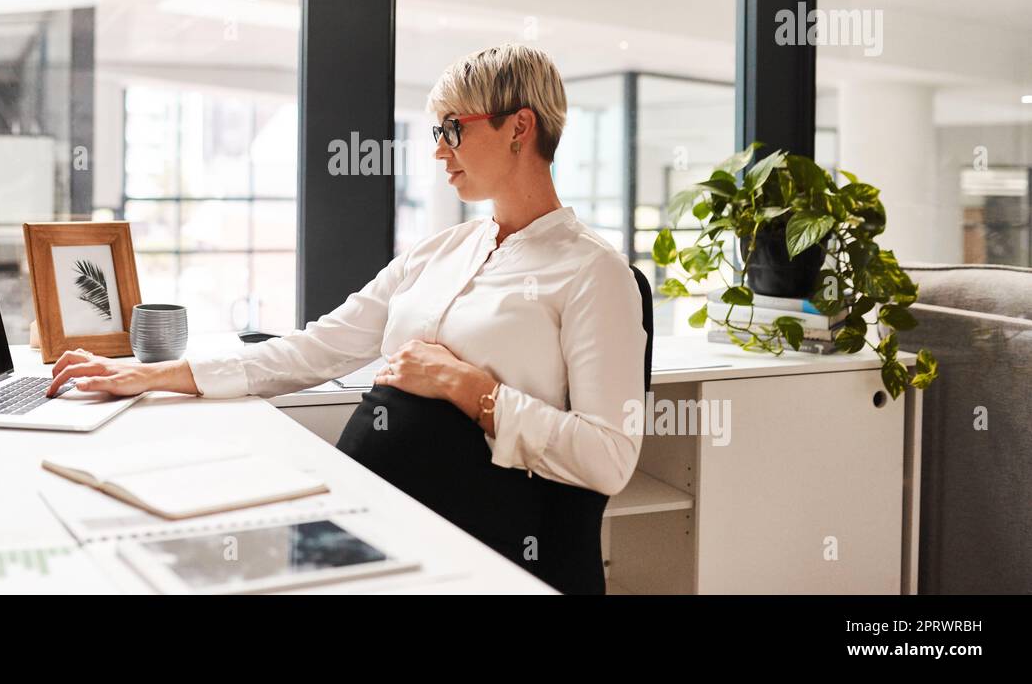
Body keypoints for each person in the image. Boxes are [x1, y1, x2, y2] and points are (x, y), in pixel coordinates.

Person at [46, 43, 647, 590]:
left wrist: (470, 389)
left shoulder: (594, 274)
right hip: (372, 511)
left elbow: (608, 458)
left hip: (476, 542)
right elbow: (317, 348)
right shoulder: (440, 250)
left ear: (519, 127)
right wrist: (154, 375)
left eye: (452, 129)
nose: (438, 148)